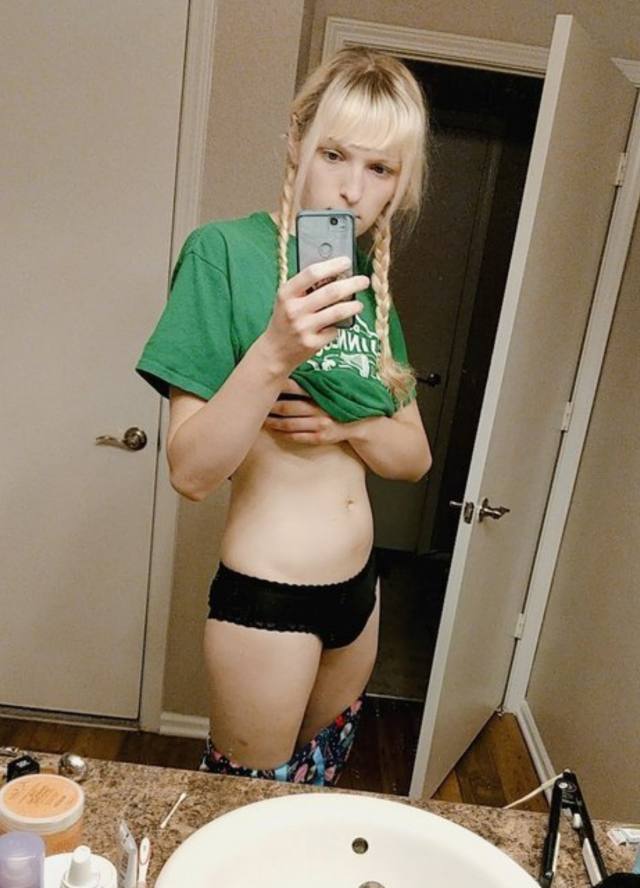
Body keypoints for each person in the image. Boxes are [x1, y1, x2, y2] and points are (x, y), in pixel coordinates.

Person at [135, 46, 433, 786]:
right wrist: (275, 350)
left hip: (359, 595)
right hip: (271, 597)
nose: (351, 189)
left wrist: (348, 427)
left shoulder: (366, 291)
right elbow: (191, 473)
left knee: (315, 792)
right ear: (296, 140)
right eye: (335, 154)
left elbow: (414, 458)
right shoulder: (223, 254)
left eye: (380, 168)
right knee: (249, 807)